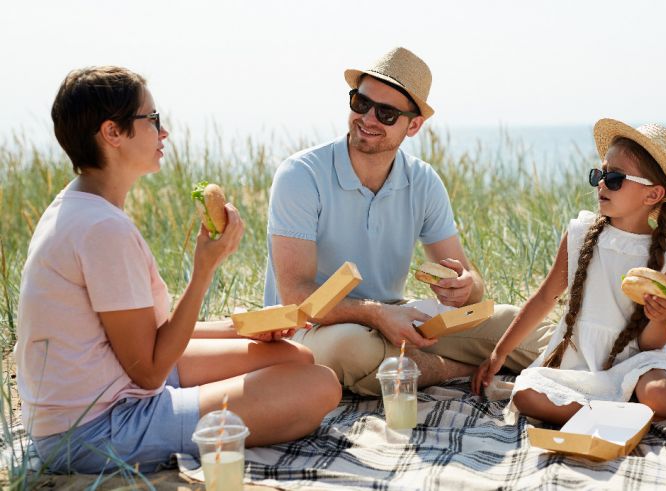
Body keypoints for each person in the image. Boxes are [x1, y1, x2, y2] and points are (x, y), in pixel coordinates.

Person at [14, 66, 341, 474]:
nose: (163, 131)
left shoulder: (79, 207)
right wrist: (203, 271)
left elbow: (147, 333)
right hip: (95, 430)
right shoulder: (101, 229)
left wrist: (242, 327)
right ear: (112, 133)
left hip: (104, 389)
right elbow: (149, 373)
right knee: (319, 385)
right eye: (151, 119)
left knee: (296, 356)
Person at [263, 47, 550, 396]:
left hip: (395, 318)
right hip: (311, 328)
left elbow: (472, 285)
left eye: (386, 113)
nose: (368, 118)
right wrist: (376, 315)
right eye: (360, 103)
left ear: (413, 125)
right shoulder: (301, 175)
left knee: (524, 328)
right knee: (353, 348)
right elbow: (296, 297)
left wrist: (464, 286)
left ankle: (417, 364)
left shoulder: (423, 181)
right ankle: (461, 370)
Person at [471, 119, 666, 434]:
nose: (602, 183)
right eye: (599, 174)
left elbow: (650, 343)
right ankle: (654, 415)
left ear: (652, 195)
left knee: (659, 392)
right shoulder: (579, 234)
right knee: (525, 395)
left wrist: (662, 318)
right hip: (580, 364)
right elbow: (545, 296)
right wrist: (501, 351)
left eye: (614, 178)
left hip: (637, 364)